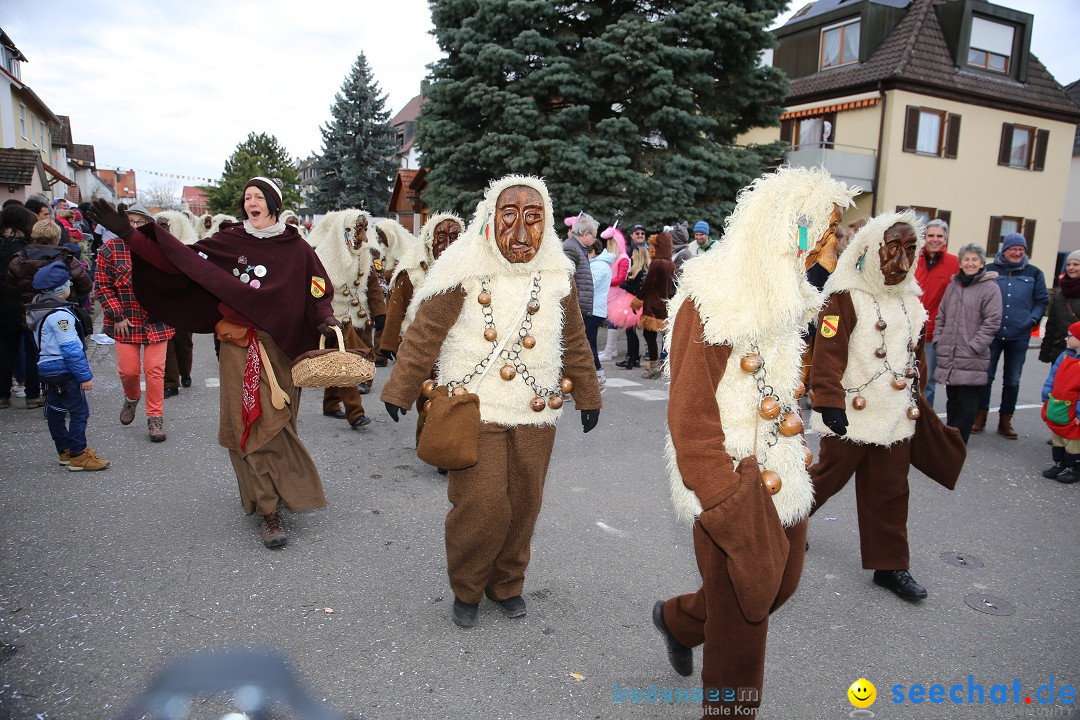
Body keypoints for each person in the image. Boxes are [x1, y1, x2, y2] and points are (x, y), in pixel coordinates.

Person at [653, 167, 856, 718]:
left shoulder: (788, 288)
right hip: (727, 477)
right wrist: (725, 500)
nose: (836, 241)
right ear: (794, 229)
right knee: (745, 617)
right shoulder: (714, 296)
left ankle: (677, 619)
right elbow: (689, 417)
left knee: (775, 586)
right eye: (829, 229)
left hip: (782, 465)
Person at [381, 175, 602, 628]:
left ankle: (506, 583)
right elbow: (425, 332)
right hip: (473, 407)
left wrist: (588, 392)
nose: (521, 234)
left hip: (537, 409)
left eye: (534, 219)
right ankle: (467, 586)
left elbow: (574, 339)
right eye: (509, 217)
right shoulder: (461, 268)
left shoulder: (556, 273)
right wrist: (401, 388)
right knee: (481, 503)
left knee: (525, 501)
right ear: (488, 221)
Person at [93, 177, 338, 549]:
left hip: (285, 348)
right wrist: (129, 234)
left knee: (281, 423)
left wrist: (324, 316)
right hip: (241, 347)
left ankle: (275, 490)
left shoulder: (298, 248)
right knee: (254, 423)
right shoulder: (230, 242)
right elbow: (178, 261)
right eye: (247, 197)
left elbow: (318, 288)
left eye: (259, 197)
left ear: (273, 202)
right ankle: (268, 511)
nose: (251, 202)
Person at [810, 209, 956, 602]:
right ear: (871, 250)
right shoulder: (845, 295)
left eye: (911, 249)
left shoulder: (912, 301)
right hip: (851, 412)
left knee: (891, 490)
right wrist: (827, 400)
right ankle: (782, 525)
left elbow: (916, 360)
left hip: (895, 416)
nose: (902, 260)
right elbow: (828, 351)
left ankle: (891, 566)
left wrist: (918, 402)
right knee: (825, 478)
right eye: (893, 248)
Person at [94, 203, 175, 442]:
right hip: (126, 321)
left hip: (157, 320)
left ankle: (155, 418)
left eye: (140, 222)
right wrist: (117, 315)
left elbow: (174, 281)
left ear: (149, 224)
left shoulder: (159, 248)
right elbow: (102, 286)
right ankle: (131, 398)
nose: (135, 226)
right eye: (130, 221)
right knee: (128, 371)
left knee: (155, 371)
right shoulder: (110, 249)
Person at [24, 262, 109, 471]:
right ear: (62, 287)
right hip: (64, 369)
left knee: (55, 411)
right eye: (68, 282)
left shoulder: (39, 310)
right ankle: (79, 454)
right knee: (79, 411)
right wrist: (84, 376)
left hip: (46, 368)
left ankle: (64, 451)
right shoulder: (61, 315)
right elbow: (71, 348)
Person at [6, 211, 93, 410]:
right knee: (66, 349)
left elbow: (11, 288)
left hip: (31, 313)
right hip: (60, 311)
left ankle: (32, 394)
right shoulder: (65, 257)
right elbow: (85, 284)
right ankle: (61, 392)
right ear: (56, 236)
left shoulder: (19, 258)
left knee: (33, 352)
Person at [307, 209, 384, 428]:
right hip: (334, 320)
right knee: (346, 365)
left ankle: (330, 404)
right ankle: (355, 413)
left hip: (360, 319)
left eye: (365, 230)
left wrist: (380, 314)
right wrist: (322, 318)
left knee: (344, 360)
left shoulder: (365, 254)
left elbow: (372, 285)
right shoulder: (323, 258)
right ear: (345, 232)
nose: (363, 237)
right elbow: (314, 292)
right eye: (358, 231)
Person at [974, 233, 1048, 437]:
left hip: (1019, 335)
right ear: (1004, 250)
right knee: (985, 377)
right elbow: (977, 295)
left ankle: (1005, 421)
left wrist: (1032, 319)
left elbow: (1041, 300)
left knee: (1013, 380)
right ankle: (979, 417)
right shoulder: (989, 270)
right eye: (1013, 249)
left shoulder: (1034, 273)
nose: (1017, 253)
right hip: (992, 334)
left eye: (1021, 250)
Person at [933, 244, 1001, 443]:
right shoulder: (953, 286)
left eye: (974, 260)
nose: (970, 263)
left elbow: (992, 321)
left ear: (981, 263)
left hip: (971, 353)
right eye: (966, 259)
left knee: (967, 401)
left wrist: (975, 346)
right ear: (960, 263)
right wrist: (939, 338)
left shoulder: (990, 288)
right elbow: (941, 316)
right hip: (950, 352)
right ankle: (951, 437)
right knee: (953, 399)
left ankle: (959, 440)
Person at [380, 212, 464, 362]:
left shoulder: (466, 272)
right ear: (429, 241)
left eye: (454, 238)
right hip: (416, 347)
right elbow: (396, 309)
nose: (448, 246)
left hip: (453, 351)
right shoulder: (412, 273)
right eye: (440, 238)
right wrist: (389, 343)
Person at [1, 205, 43, 409]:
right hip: (25, 302)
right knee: (32, 349)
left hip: (3, 303)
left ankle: (2, 394)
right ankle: (33, 394)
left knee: (5, 348)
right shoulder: (28, 250)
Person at [914, 219, 958, 408]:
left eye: (939, 236)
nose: (935, 239)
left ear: (945, 239)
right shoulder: (913, 259)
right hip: (908, 329)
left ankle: (925, 421)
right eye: (931, 235)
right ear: (924, 238)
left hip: (932, 333)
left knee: (927, 381)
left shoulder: (954, 264)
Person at [155, 211, 200, 396]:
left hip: (184, 301)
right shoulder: (154, 245)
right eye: (160, 226)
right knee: (167, 344)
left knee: (183, 342)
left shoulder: (189, 247)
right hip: (162, 300)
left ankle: (185, 372)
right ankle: (170, 384)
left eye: (166, 226)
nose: (163, 230)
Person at [1041, 320, 1080, 484]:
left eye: (1070, 336)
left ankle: (1074, 467)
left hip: (1073, 407)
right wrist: (1047, 393)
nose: (1066, 338)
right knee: (1057, 434)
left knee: (1072, 439)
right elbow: (1053, 376)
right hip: (1058, 404)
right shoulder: (1064, 355)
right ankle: (1060, 462)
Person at [633, 231, 675, 379]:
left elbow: (647, 285)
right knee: (660, 335)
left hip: (652, 303)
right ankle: (659, 364)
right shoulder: (670, 263)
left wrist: (637, 301)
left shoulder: (657, 263)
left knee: (649, 335)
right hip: (663, 303)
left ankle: (654, 366)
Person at [614, 224, 648, 369]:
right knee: (631, 332)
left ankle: (631, 358)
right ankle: (633, 358)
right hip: (633, 302)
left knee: (631, 332)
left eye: (634, 254)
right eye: (637, 233)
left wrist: (623, 284)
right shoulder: (639, 269)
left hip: (633, 303)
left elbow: (635, 290)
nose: (631, 256)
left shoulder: (639, 271)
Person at [1040, 250, 1080, 367]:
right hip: (1060, 351)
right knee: (1057, 383)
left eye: (1076, 264)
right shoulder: (1060, 294)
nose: (1071, 268)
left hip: (1078, 351)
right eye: (1068, 264)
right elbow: (1052, 324)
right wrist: (1046, 351)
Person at [598, 223, 629, 362]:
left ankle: (609, 351)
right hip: (611, 294)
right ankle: (612, 349)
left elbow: (621, 279)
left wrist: (605, 280)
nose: (607, 246)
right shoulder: (615, 257)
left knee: (612, 322)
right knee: (611, 322)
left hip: (618, 295)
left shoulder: (622, 258)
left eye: (610, 242)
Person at [587, 237, 614, 385]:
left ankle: (598, 373)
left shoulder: (599, 266)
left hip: (594, 310)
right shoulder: (598, 264)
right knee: (590, 343)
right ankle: (597, 372)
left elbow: (590, 285)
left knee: (589, 344)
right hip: (595, 309)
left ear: (593, 251)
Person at [562, 213, 596, 327]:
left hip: (577, 310)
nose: (595, 240)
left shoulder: (577, 248)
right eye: (594, 236)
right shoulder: (571, 248)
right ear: (586, 234)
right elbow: (565, 282)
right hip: (572, 312)